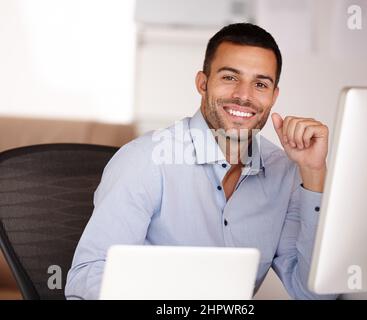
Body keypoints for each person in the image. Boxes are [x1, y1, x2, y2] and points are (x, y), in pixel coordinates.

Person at [65, 23, 336, 300]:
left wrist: (314, 172)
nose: (244, 95)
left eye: (260, 84)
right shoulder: (145, 161)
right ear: (202, 83)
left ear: (274, 96)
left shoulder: (284, 173)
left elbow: (313, 294)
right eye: (230, 78)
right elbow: (85, 279)